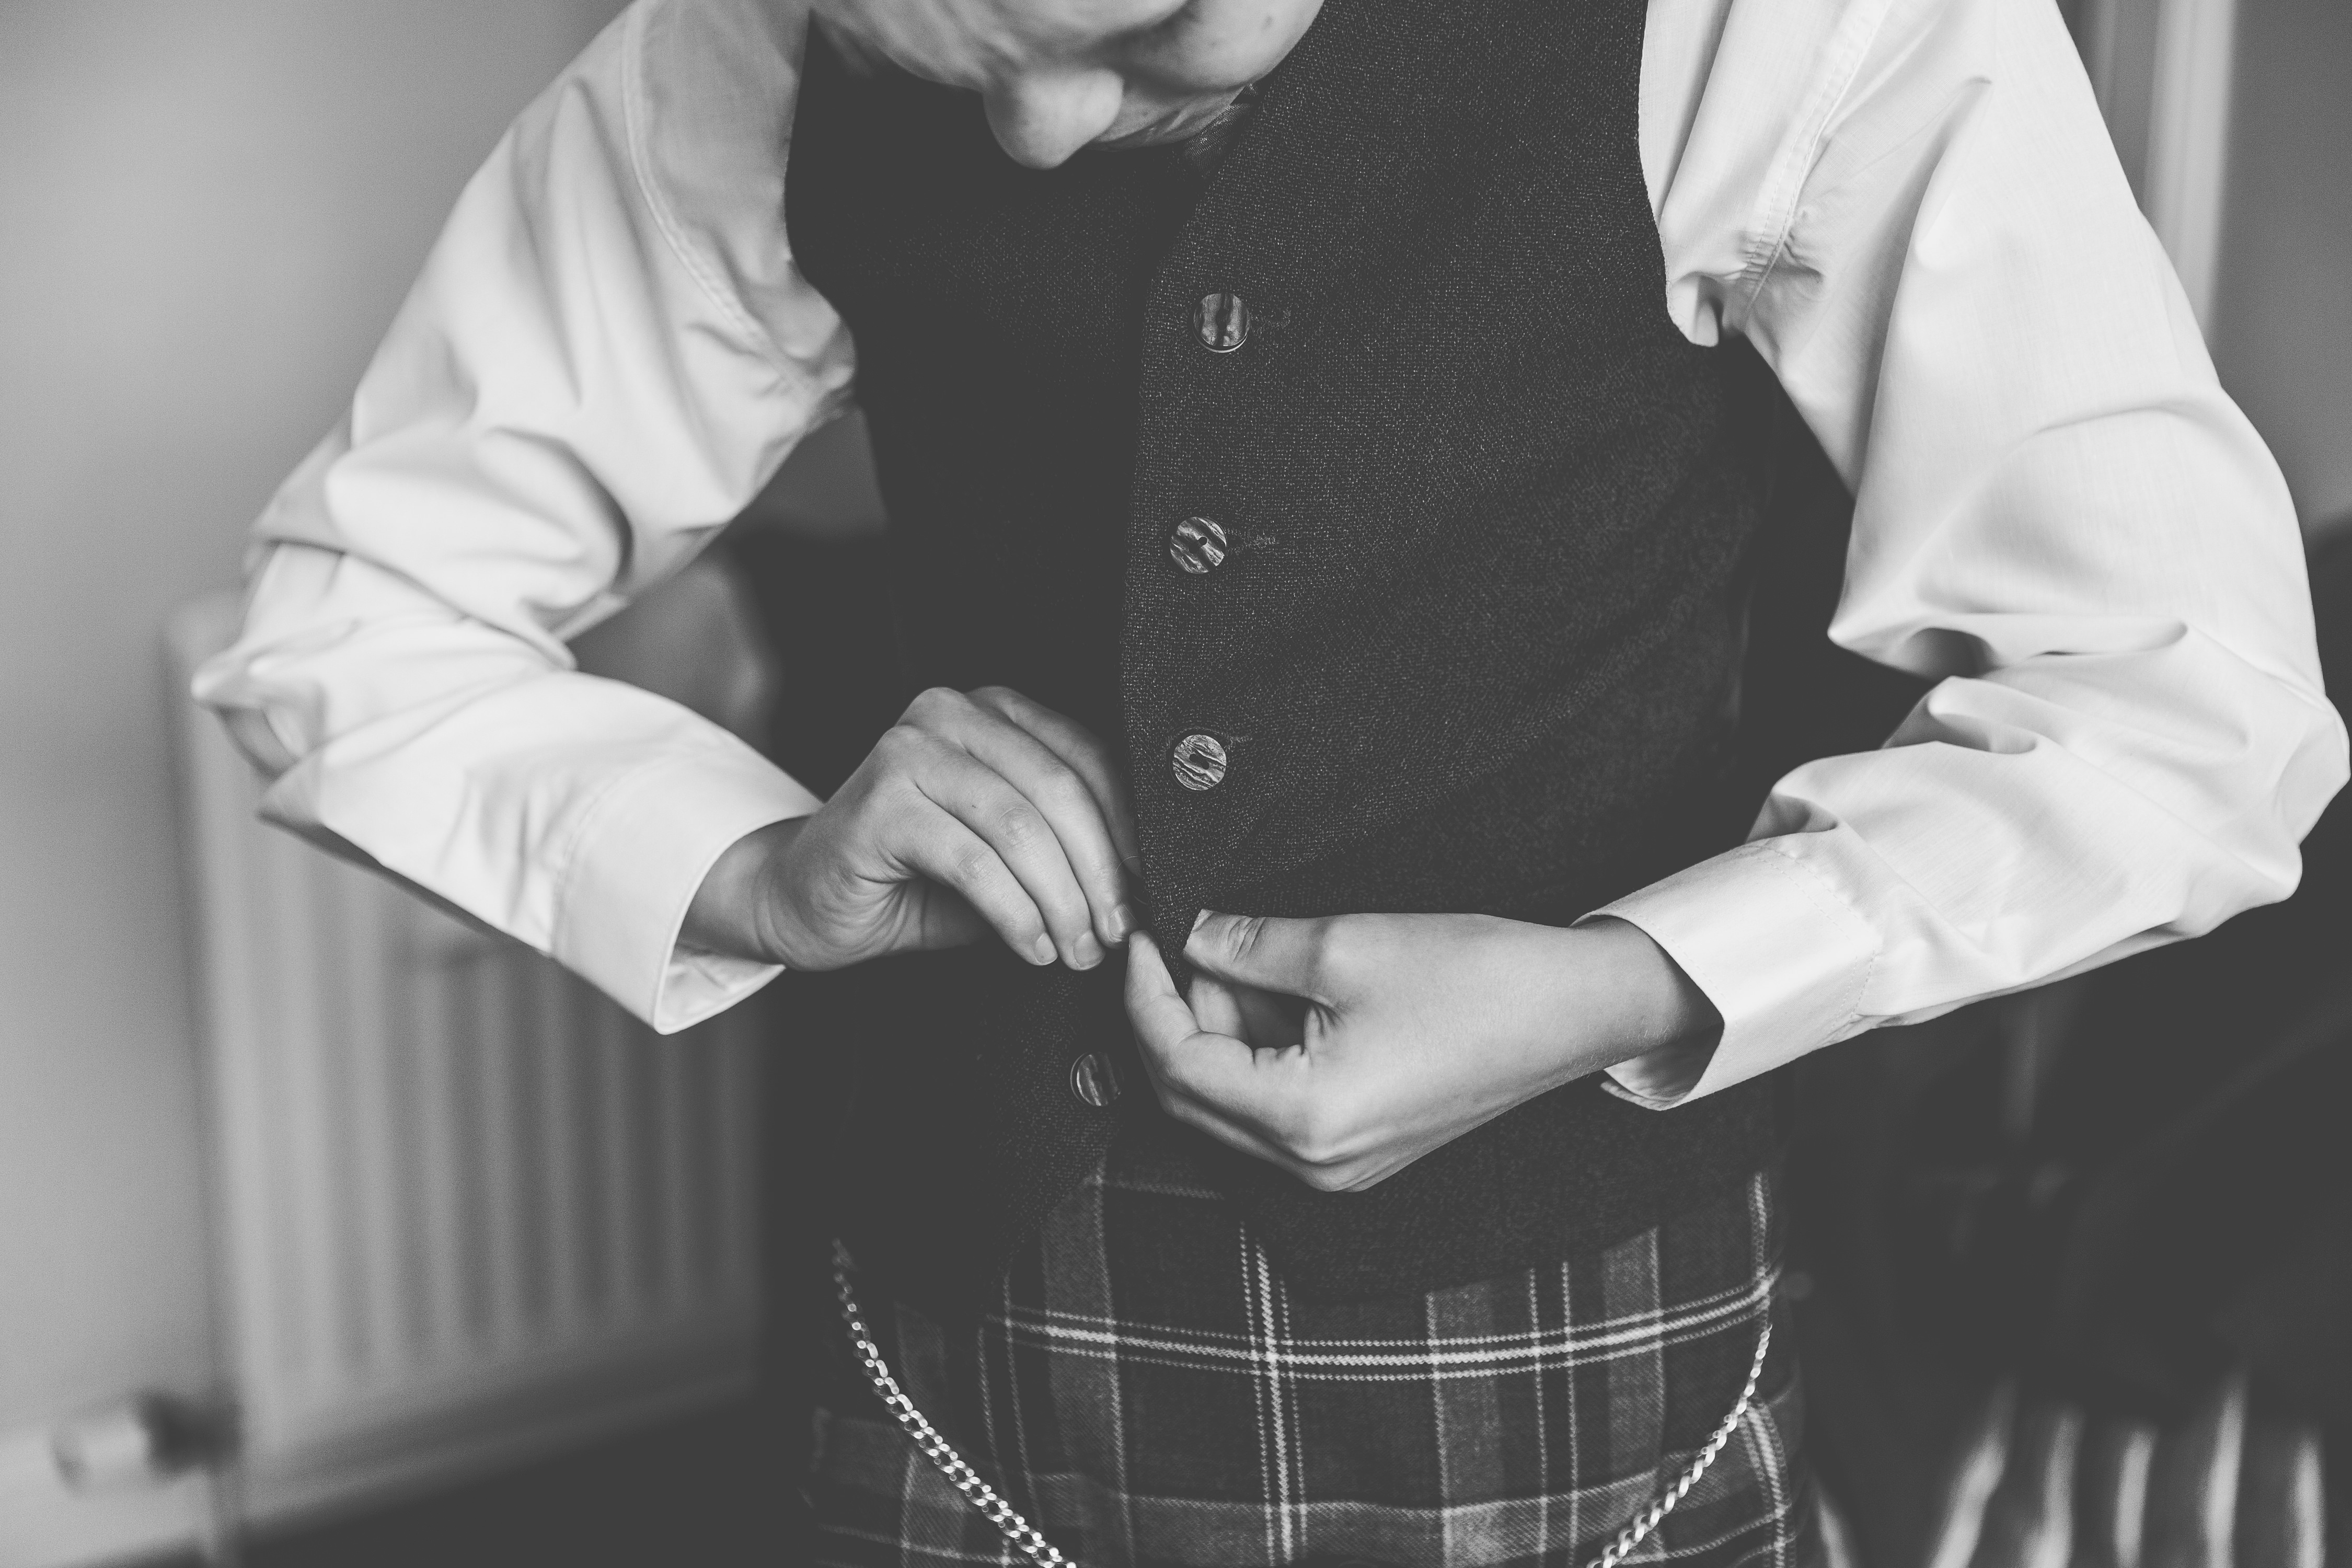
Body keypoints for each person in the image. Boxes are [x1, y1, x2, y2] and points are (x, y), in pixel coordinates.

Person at [193, 0, 2348, 1562]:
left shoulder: (1771, 28)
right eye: (944, 44)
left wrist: (1639, 982)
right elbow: (347, 617)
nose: (1034, 131)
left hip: (1570, 1368)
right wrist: (745, 864)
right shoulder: (739, 48)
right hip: (956, 1362)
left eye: (1149, 27)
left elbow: (2194, 711)